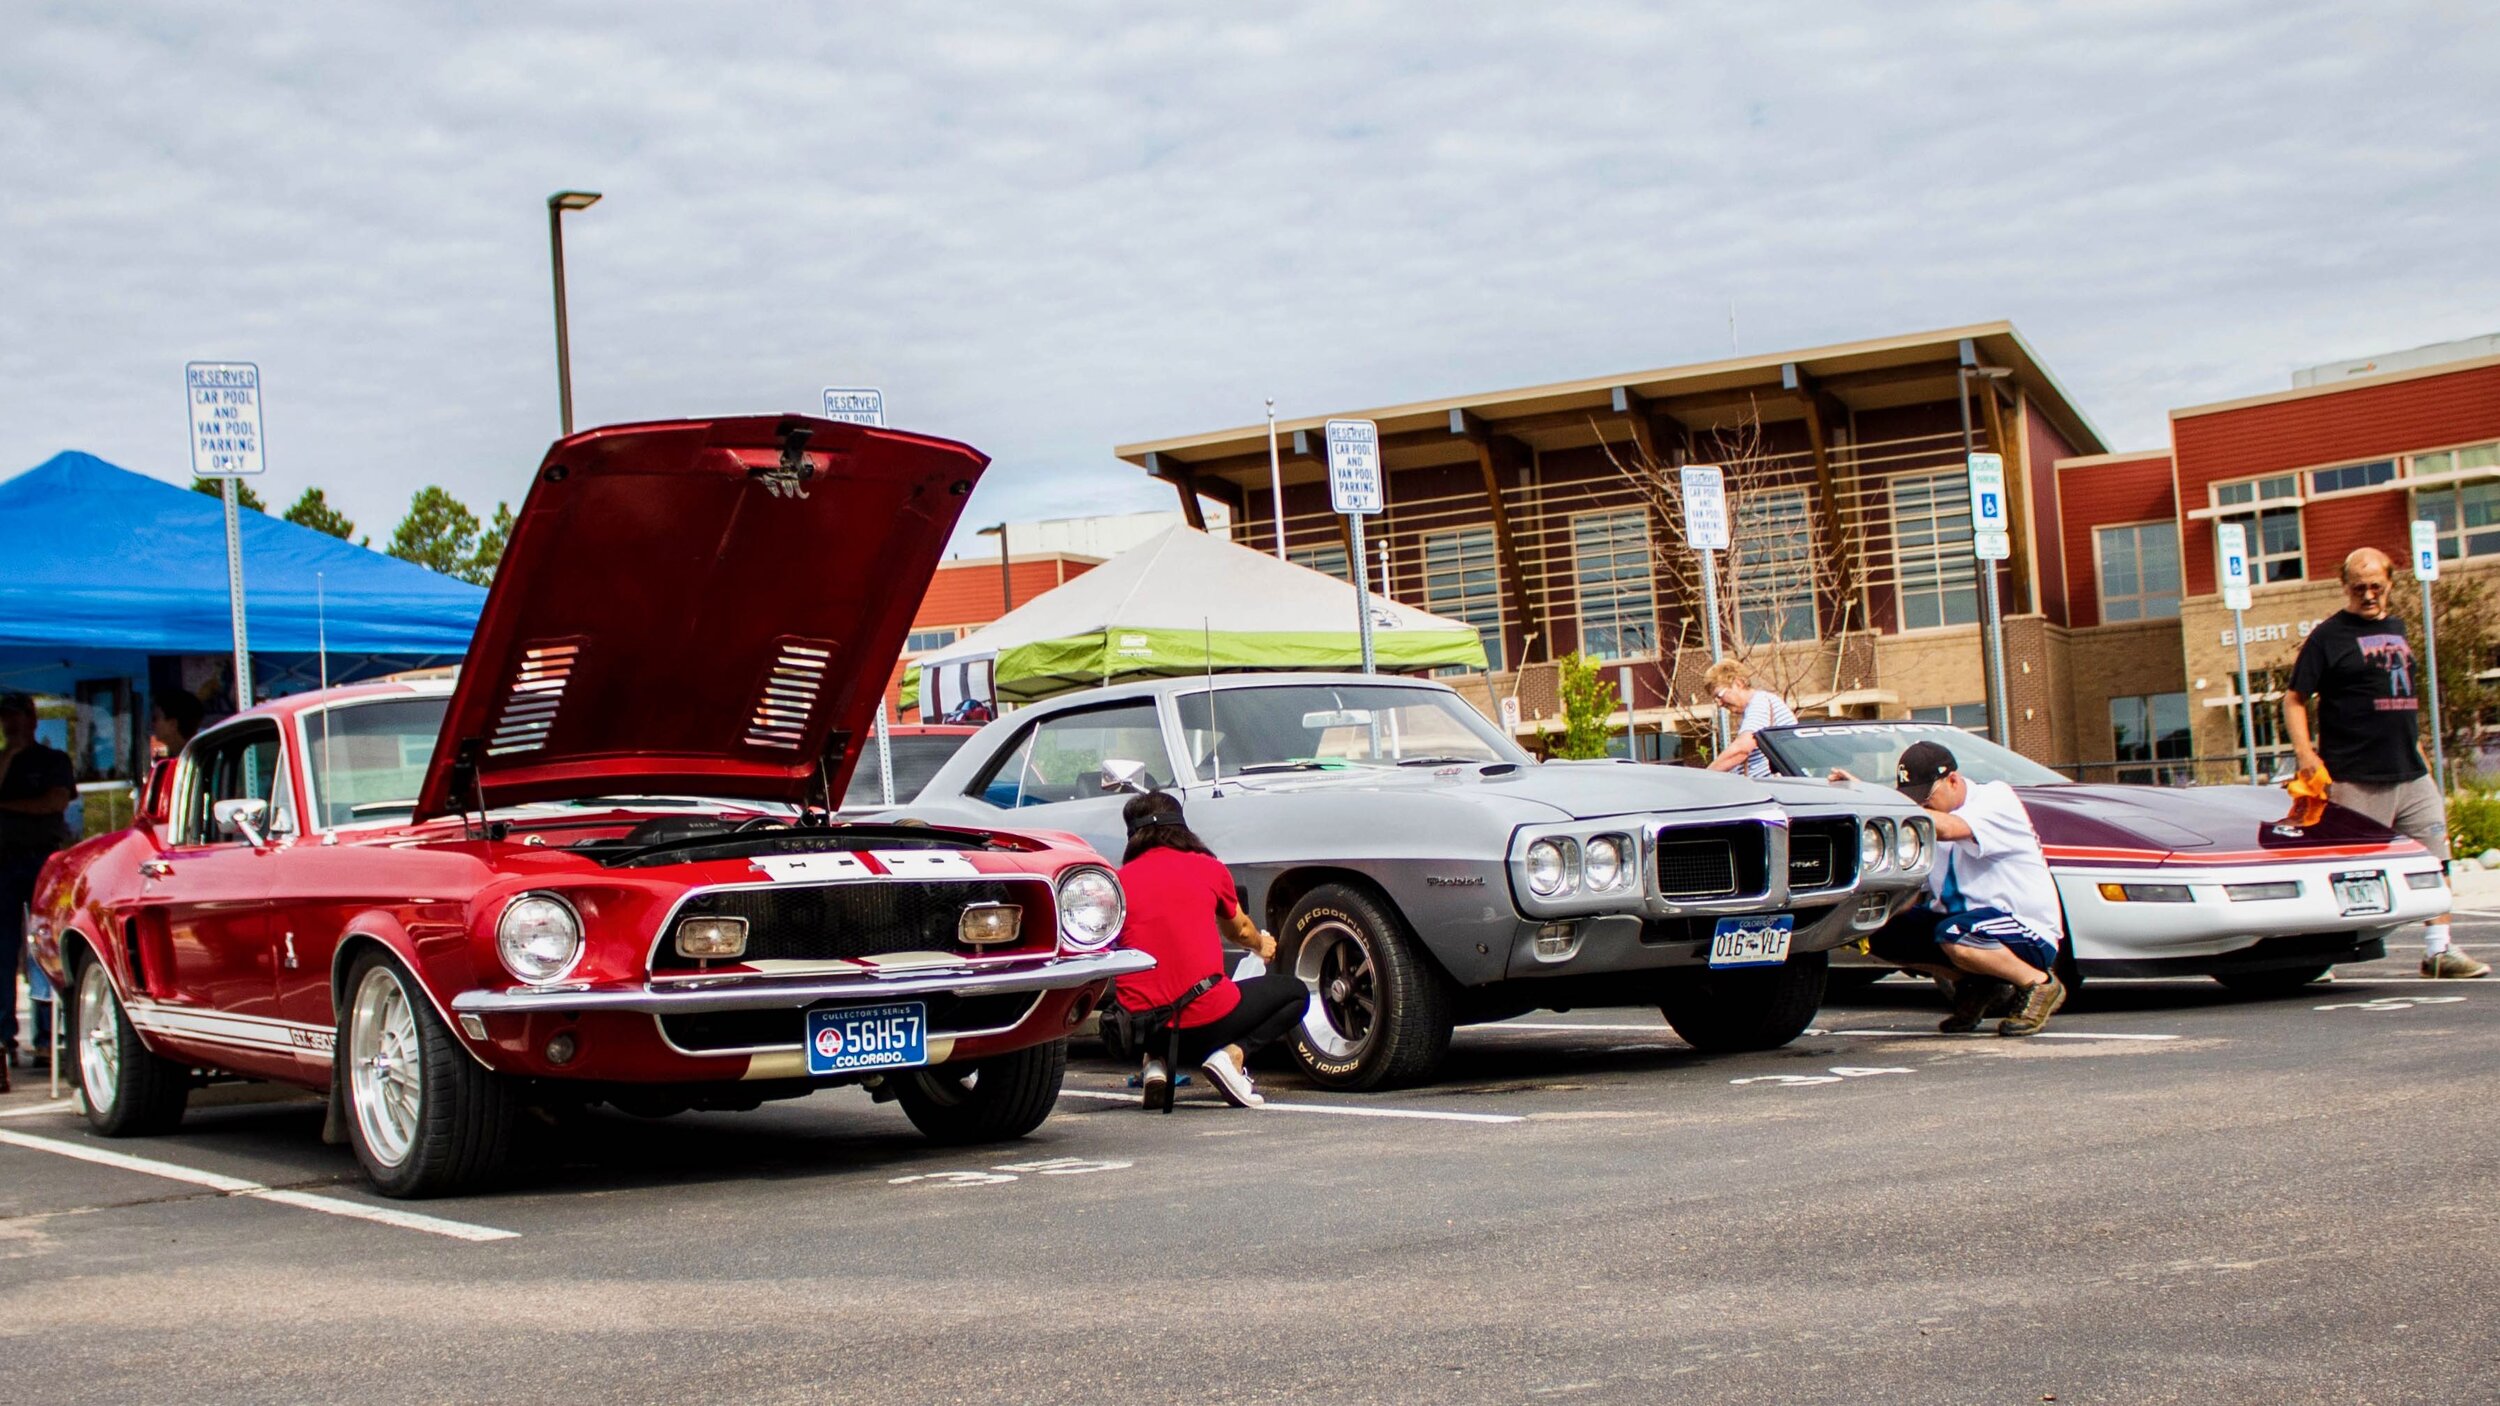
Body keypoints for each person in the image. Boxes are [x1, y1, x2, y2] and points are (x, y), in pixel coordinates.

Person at [2283, 547, 2489, 979]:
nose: (2369, 595)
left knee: (2435, 862)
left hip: (2410, 772)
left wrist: (2423, 758)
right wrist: (2306, 754)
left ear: (2390, 584)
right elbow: (2295, 698)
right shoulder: (2328, 636)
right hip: (2355, 774)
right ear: (2344, 587)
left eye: (2376, 586)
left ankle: (2440, 951)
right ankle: (2320, 956)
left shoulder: (2398, 628)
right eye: (2359, 588)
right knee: (2347, 871)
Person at [1849, 739, 2069, 1036]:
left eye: (1926, 797)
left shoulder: (1995, 798)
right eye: (1914, 799)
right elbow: (1912, 894)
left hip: (2024, 931)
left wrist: (1884, 806)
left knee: (1956, 932)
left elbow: (1952, 828)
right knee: (1879, 930)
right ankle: (1979, 983)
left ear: (1953, 780)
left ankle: (2039, 984)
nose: (1921, 806)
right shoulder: (1930, 822)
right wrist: (1857, 922)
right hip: (1963, 927)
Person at [1111, 790, 1310, 1107]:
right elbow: (1240, 930)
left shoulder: (1117, 882)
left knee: (1150, 993)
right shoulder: (1208, 868)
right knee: (1295, 993)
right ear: (1182, 828)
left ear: (1132, 836)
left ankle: (1153, 1065)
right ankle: (1231, 1057)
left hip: (1140, 1030)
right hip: (1207, 1024)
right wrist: (1263, 944)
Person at [1, 692, 77, 1083]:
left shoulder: (53, 760)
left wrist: (9, 805)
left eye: (17, 718)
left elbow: (54, 802)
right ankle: (3, 1040)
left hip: (40, 859)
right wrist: (8, 757)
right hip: (3, 861)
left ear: (32, 719)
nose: (11, 726)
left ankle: (50, 1035)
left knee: (44, 944)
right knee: (2, 952)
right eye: (5, 719)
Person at [1703, 659, 1797, 779]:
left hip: (1772, 789)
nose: (1719, 704)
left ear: (1739, 683)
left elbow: (1741, 750)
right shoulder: (1759, 705)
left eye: (1719, 695)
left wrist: (1704, 776)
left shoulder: (1760, 703)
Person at [151, 689, 205, 759]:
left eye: (155, 719)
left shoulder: (201, 761)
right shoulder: (163, 763)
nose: (152, 724)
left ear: (172, 724)